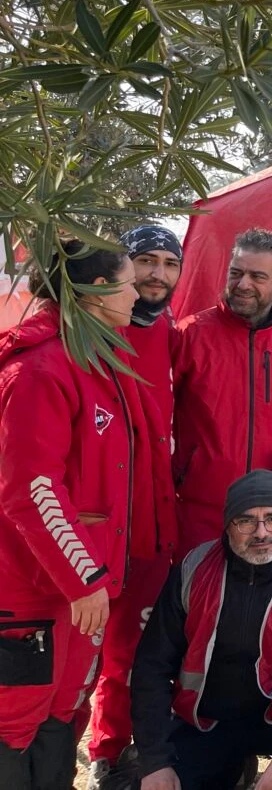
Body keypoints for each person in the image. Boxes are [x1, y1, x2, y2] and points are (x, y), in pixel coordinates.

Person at [0, 242, 143, 790]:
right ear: (95, 292)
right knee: (14, 724)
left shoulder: (91, 357)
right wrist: (83, 577)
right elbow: (31, 490)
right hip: (36, 589)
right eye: (126, 281)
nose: (136, 293)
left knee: (63, 713)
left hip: (79, 589)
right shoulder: (41, 369)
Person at [132, 471, 272, 790]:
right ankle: (233, 771)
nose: (261, 532)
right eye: (246, 520)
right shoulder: (193, 567)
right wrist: (155, 762)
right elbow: (151, 664)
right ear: (228, 525)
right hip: (207, 720)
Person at [88, 227, 184, 790]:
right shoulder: (92, 331)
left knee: (133, 647)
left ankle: (112, 750)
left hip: (152, 519)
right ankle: (90, 743)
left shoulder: (175, 331)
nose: (156, 274)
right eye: (144, 261)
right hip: (96, 519)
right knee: (82, 649)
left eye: (168, 263)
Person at [172, 228, 272, 553]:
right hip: (201, 506)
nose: (243, 285)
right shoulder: (189, 334)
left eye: (257, 276)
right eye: (236, 273)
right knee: (198, 598)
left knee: (262, 601)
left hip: (270, 510)